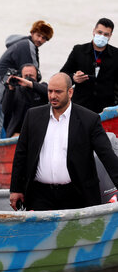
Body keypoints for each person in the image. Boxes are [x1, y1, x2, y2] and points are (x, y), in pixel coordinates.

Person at [10, 73, 118, 211]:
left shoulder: (89, 119)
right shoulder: (33, 116)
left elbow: (107, 155)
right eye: (50, 91)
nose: (53, 96)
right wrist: (15, 189)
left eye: (58, 92)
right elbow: (21, 154)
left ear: (70, 92)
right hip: (40, 195)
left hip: (76, 195)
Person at [0, 20, 54, 138]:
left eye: (44, 38)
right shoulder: (27, 46)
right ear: (32, 32)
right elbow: (31, 75)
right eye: (38, 35)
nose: (40, 40)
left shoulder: (22, 44)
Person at [60, 18, 118, 114]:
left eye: (106, 34)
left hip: (106, 109)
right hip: (80, 106)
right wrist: (74, 78)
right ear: (94, 31)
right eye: (99, 32)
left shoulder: (116, 54)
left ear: (110, 36)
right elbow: (63, 74)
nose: (102, 36)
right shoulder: (78, 50)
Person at [2, 64, 48, 137]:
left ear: (37, 77)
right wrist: (10, 89)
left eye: (31, 76)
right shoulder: (15, 91)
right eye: (26, 76)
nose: (28, 78)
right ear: (21, 77)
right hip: (18, 132)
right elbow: (6, 110)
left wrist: (30, 84)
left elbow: (47, 92)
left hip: (39, 131)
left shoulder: (43, 88)